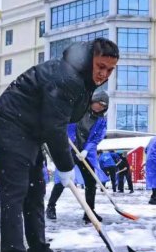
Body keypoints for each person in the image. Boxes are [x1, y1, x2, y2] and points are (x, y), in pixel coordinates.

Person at [0, 38, 119, 252]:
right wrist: (66, 166)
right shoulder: (67, 77)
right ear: (90, 59)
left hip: (30, 129)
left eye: (110, 69)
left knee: (36, 191)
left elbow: (57, 118)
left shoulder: (83, 78)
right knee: (16, 193)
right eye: (100, 66)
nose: (104, 74)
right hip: (9, 125)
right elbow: (55, 127)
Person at [45, 90, 110, 222]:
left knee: (91, 181)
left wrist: (86, 150)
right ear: (93, 100)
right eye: (99, 103)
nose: (100, 107)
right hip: (70, 147)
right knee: (63, 178)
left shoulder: (101, 120)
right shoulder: (78, 109)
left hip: (85, 152)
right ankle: (51, 207)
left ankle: (89, 212)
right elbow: (66, 123)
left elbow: (97, 137)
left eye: (104, 106)